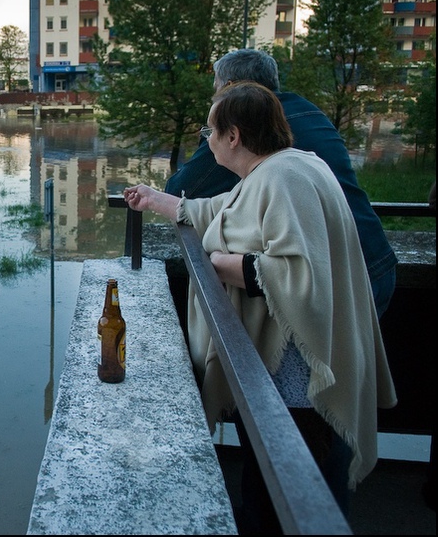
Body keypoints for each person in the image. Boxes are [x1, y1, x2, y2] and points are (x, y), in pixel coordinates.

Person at [124, 81, 397, 533]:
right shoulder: (284, 168)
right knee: (279, 480)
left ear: (234, 135)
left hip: (302, 384)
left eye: (210, 131)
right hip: (294, 376)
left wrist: (219, 263)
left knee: (295, 493)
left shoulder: (283, 178)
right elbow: (218, 212)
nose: (206, 140)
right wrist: (155, 200)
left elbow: (298, 273)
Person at [164, 48, 398, 320]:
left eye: (216, 87)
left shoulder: (244, 127)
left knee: (327, 358)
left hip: (331, 277)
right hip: (371, 257)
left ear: (230, 88)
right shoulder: (309, 110)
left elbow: (183, 189)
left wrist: (215, 129)